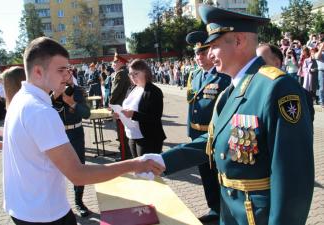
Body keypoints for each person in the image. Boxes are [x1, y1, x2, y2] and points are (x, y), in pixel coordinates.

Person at [143, 5, 314, 225]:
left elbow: (293, 178)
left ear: (239, 40)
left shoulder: (277, 88)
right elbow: (214, 141)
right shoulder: (229, 92)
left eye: (214, 46)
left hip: (258, 217)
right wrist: (162, 160)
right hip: (231, 211)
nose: (210, 54)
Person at [2, 37, 165, 225]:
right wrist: (135, 164)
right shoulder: (40, 111)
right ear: (38, 71)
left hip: (26, 208)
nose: (67, 75)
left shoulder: (21, 100)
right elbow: (78, 174)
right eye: (61, 70)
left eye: (68, 69)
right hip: (45, 214)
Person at [185, 30, 231, 223]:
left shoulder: (224, 77)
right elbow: (192, 104)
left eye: (203, 53)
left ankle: (226, 212)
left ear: (211, 53)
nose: (199, 57)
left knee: (220, 176)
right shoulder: (194, 75)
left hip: (216, 136)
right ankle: (213, 208)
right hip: (197, 134)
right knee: (205, 175)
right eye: (196, 54)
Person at [51, 75, 91, 217]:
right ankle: (58, 203)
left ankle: (79, 202)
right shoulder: (49, 92)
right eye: (60, 73)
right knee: (54, 169)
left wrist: (72, 103)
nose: (64, 77)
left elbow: (87, 114)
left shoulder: (78, 91)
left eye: (66, 73)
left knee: (79, 167)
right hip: (58, 134)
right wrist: (54, 96)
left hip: (76, 133)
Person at [119, 59, 166, 158]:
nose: (132, 77)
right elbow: (127, 107)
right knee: (138, 168)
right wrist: (119, 113)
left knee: (147, 171)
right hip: (132, 136)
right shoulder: (132, 89)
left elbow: (155, 118)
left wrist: (133, 114)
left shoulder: (154, 91)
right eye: (130, 74)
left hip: (148, 138)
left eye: (135, 74)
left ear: (145, 72)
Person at [0, 66, 26, 150]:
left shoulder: (22, 107)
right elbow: (15, 138)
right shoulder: (19, 104)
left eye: (4, 83)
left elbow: (18, 148)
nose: (2, 86)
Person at [110, 52, 132, 160]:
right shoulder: (125, 72)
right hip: (124, 106)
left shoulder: (120, 73)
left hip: (119, 107)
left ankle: (125, 157)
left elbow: (116, 91)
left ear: (120, 62)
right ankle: (127, 154)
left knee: (122, 134)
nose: (113, 64)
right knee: (124, 133)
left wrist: (110, 103)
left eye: (114, 61)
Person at [315, 40, 324, 107]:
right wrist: (321, 47)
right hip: (321, 72)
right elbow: (317, 57)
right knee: (322, 87)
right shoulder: (317, 53)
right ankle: (321, 101)